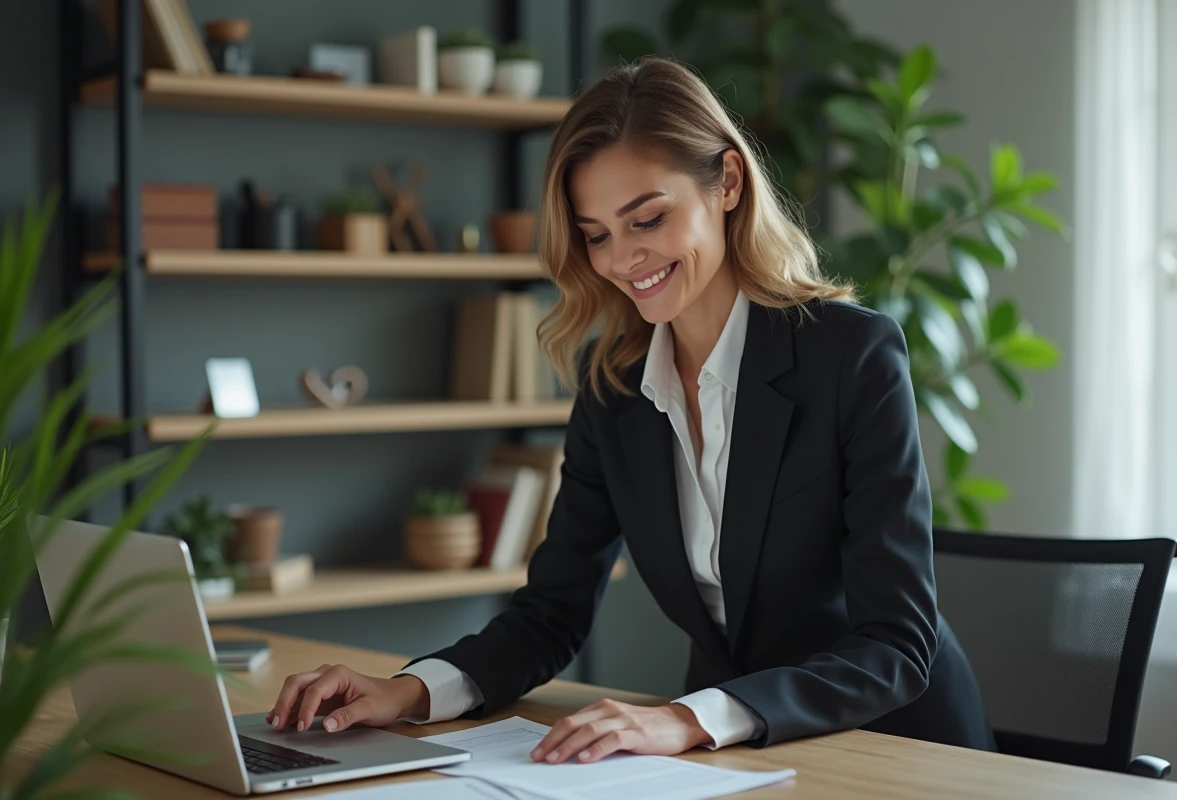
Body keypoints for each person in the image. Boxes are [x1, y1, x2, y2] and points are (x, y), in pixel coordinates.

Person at [267, 56, 996, 762]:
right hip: (730, 755)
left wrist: (688, 718)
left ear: (728, 182)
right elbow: (550, 613)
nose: (622, 260)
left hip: (896, 749)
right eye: (596, 236)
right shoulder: (613, 385)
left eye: (647, 219)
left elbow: (895, 643)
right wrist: (407, 691)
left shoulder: (851, 354)